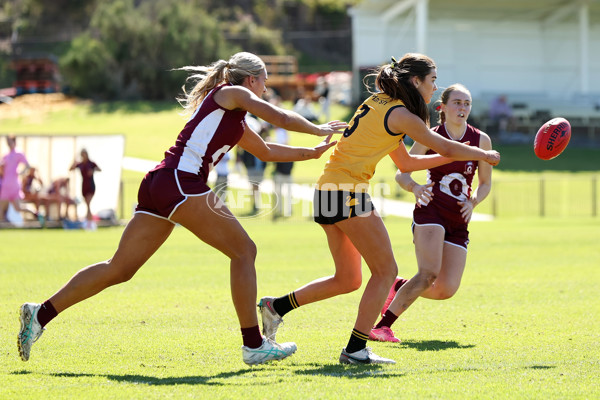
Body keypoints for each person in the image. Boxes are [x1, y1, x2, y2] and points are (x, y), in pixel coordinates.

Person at [17, 52, 346, 366]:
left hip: (162, 183)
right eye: (264, 80)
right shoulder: (231, 93)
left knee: (119, 268)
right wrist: (319, 127)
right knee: (244, 251)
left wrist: (312, 152)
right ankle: (253, 344)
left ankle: (40, 313)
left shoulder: (233, 116)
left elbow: (266, 151)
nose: (266, 87)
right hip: (180, 182)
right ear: (253, 80)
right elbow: (278, 116)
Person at [257, 54, 500, 365]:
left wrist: (450, 156)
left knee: (348, 279)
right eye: (433, 81)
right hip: (347, 191)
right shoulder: (403, 116)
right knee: (386, 272)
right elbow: (447, 148)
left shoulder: (379, 102)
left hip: (327, 190)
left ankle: (276, 307)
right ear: (416, 82)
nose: (435, 87)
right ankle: (356, 349)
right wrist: (485, 153)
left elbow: (408, 163)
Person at [370, 83, 494, 343]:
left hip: (459, 219)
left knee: (445, 289)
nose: (462, 108)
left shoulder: (481, 140)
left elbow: (485, 183)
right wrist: (414, 188)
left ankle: (399, 286)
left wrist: (473, 203)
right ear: (443, 107)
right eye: (457, 103)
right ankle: (382, 327)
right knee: (428, 274)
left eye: (467, 103)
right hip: (431, 211)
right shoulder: (430, 135)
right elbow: (402, 172)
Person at [0, 135, 38, 222]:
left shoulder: (18, 153)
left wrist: (20, 173)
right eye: (8, 142)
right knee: (3, 207)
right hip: (6, 184)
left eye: (10, 142)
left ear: (14, 142)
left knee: (16, 208)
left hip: (13, 184)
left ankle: (35, 212)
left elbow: (27, 165)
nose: (9, 144)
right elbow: (2, 171)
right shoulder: (5, 156)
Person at [70, 149, 101, 228]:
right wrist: (74, 160)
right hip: (84, 186)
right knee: (87, 204)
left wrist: (93, 171)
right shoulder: (80, 164)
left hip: (90, 185)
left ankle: (89, 222)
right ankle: (89, 222)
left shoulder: (91, 163)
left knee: (88, 203)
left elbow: (99, 169)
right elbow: (71, 169)